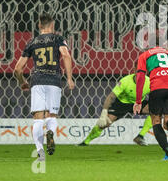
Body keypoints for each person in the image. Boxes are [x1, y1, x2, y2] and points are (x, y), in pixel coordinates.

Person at [14, 13, 75, 161]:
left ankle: (40, 151)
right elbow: (66, 56)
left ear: (39, 25)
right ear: (52, 25)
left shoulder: (32, 42)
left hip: (38, 80)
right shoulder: (58, 39)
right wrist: (69, 78)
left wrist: (22, 81)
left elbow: (17, 68)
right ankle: (51, 133)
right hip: (54, 80)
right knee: (51, 116)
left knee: (38, 119)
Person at [78, 73, 153, 146]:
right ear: (134, 71)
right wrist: (104, 114)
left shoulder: (149, 82)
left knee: (155, 110)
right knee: (104, 124)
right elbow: (111, 96)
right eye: (138, 72)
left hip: (138, 103)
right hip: (121, 104)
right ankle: (86, 141)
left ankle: (140, 136)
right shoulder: (125, 81)